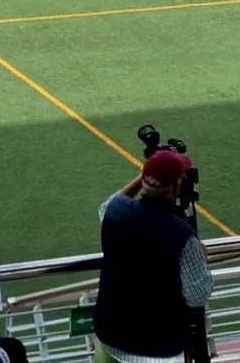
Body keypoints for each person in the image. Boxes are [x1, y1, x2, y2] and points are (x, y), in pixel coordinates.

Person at [94, 150, 215, 363]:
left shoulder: (116, 211)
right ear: (176, 188)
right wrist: (202, 260)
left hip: (110, 335)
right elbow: (197, 296)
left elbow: (108, 206)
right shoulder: (183, 236)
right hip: (160, 347)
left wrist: (146, 177)